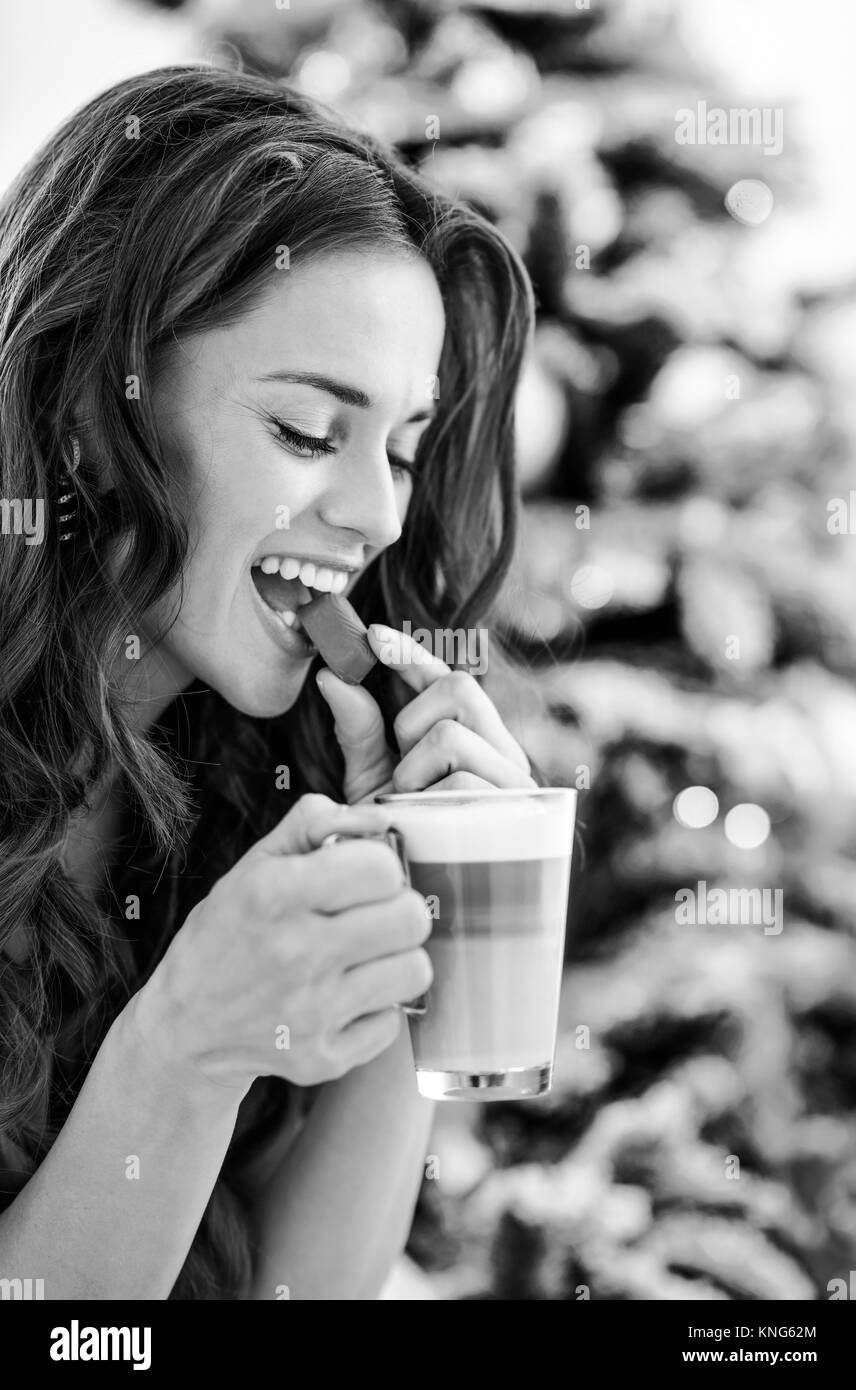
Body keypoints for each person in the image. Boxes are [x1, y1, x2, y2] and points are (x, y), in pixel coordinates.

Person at [0, 64, 535, 1300]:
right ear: (91, 404)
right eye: (307, 432)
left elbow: (306, 1292)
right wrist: (185, 1047)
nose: (379, 513)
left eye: (403, 448)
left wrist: (425, 917)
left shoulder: (256, 779)